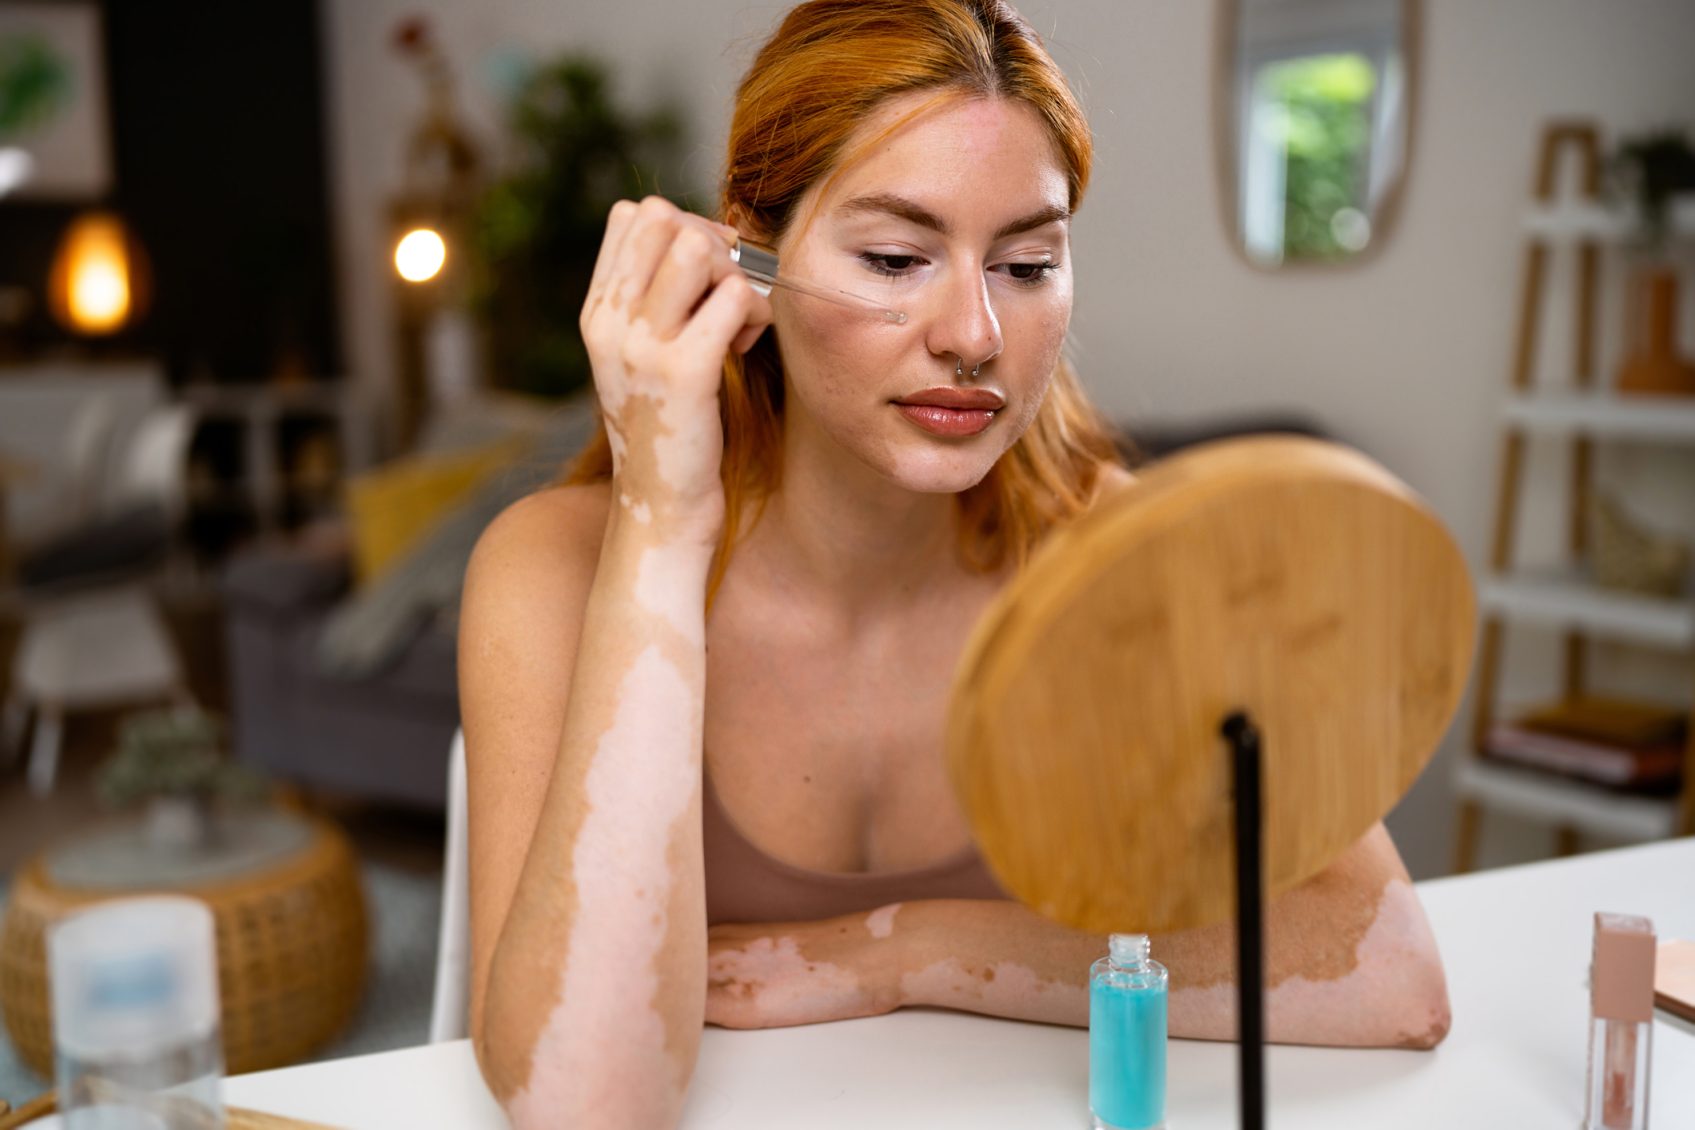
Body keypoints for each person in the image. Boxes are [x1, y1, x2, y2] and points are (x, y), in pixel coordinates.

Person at [458, 1, 1451, 1126]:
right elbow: (589, 1102)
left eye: (1028, 263)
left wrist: (904, 950)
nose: (975, 332)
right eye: (895, 258)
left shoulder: (1121, 559)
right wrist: (659, 522)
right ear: (752, 256)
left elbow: (1390, 970)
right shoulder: (557, 567)